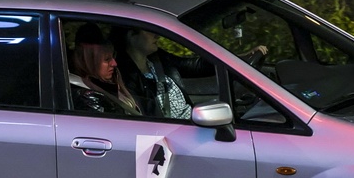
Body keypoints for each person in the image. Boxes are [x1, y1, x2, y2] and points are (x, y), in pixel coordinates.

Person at [112, 27, 268, 119]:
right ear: (131, 36)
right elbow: (148, 118)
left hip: (192, 121)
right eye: (148, 31)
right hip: (175, 134)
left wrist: (238, 58)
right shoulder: (125, 77)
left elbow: (194, 66)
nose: (156, 35)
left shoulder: (157, 58)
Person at [68, 23, 141, 115]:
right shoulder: (89, 99)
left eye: (113, 57)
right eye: (107, 60)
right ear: (90, 63)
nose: (114, 63)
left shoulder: (115, 82)